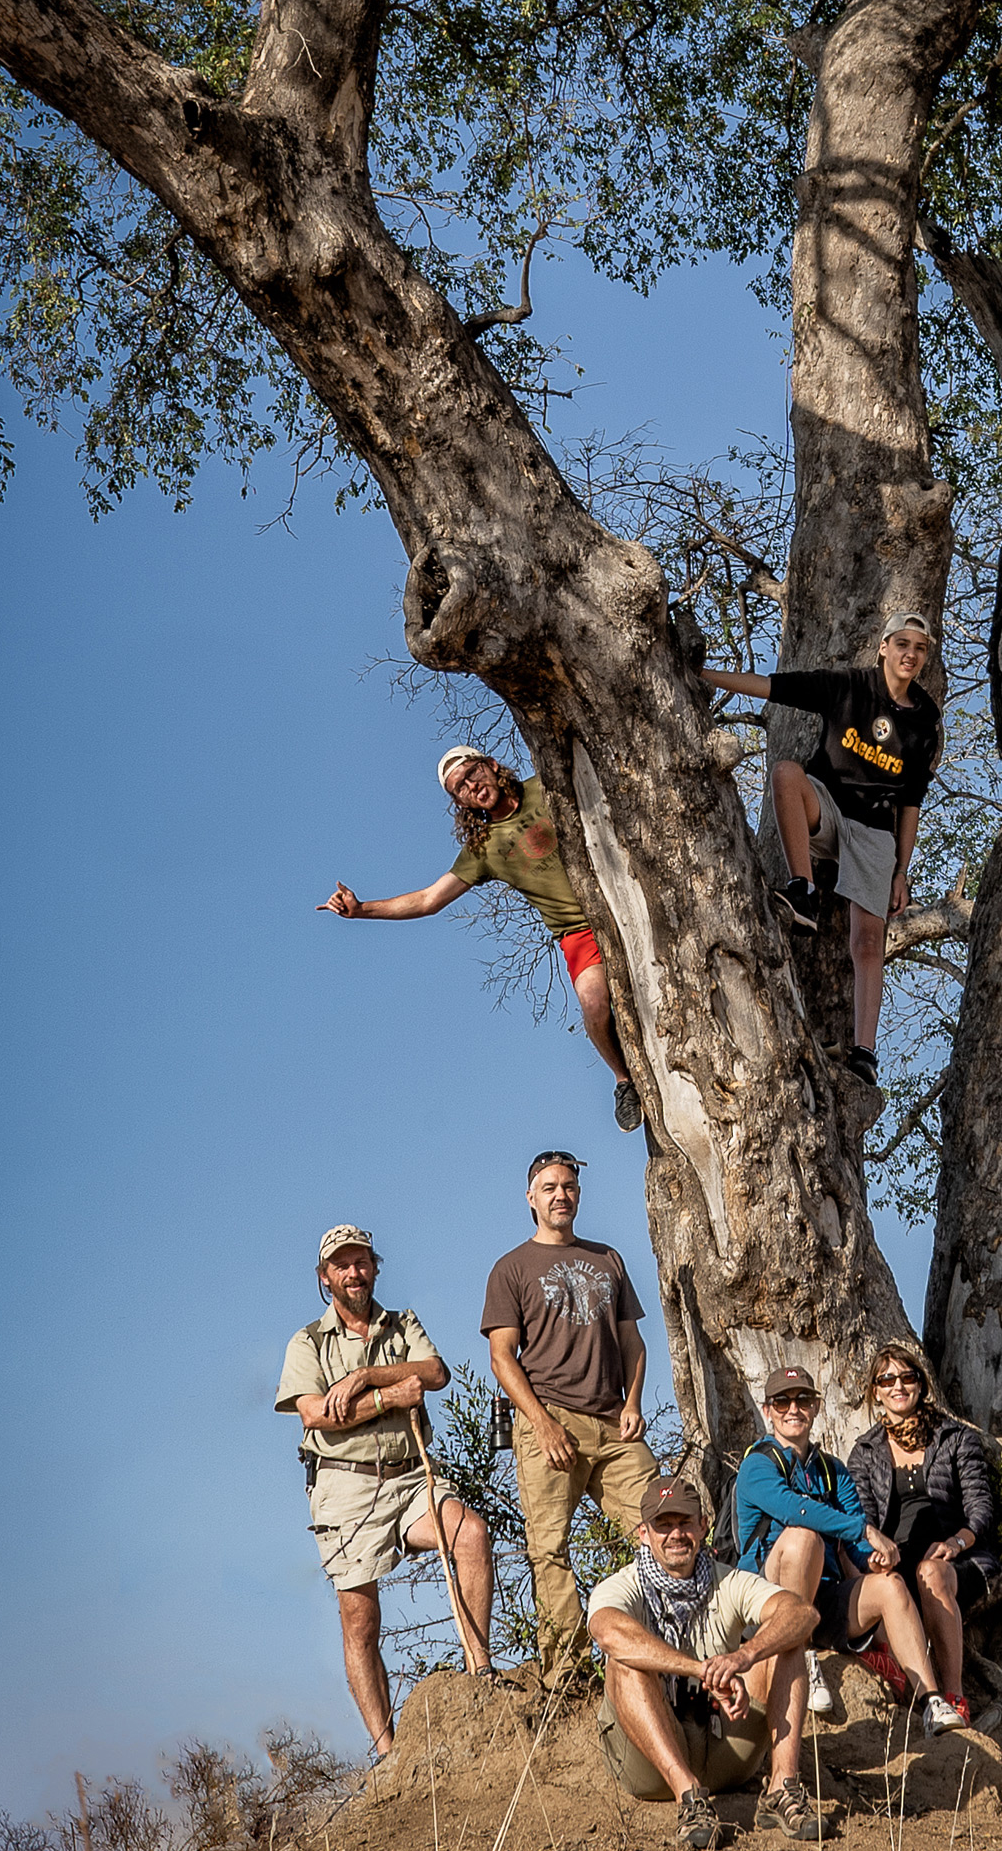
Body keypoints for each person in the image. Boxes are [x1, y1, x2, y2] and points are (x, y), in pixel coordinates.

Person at [320, 746, 641, 1132]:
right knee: (592, 1001)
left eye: (472, 774)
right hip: (578, 931)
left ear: (490, 765)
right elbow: (428, 899)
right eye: (460, 788)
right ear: (459, 802)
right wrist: (361, 909)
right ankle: (623, 1081)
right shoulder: (484, 847)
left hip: (628, 898)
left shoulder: (547, 786)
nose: (471, 786)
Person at [277, 1224, 496, 1756]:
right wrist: (392, 1395)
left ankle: (481, 1677)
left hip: (411, 1473)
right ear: (324, 1276)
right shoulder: (307, 1341)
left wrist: (368, 1376)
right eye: (342, 1265)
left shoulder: (402, 1324)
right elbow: (316, 1415)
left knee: (469, 1534)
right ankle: (388, 1751)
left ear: (375, 1266)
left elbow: (435, 1372)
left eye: (362, 1262)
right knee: (360, 1618)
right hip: (345, 1486)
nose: (354, 1273)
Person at [699, 613, 941, 1083]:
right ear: (884, 647)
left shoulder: (925, 719)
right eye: (903, 644)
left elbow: (911, 801)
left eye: (921, 648)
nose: (911, 654)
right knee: (786, 773)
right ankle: (802, 889)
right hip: (826, 806)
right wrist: (702, 676)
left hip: (874, 831)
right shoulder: (849, 686)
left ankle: (864, 1052)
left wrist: (901, 872)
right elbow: (771, 686)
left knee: (868, 942)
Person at [483, 1151, 660, 1690]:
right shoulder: (511, 1268)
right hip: (550, 1422)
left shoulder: (608, 1258)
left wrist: (633, 1404)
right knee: (550, 1548)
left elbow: (633, 1342)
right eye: (550, 1187)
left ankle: (673, 1645)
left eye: (570, 1186)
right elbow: (502, 1357)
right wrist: (540, 1424)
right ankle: (567, 1675)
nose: (562, 1195)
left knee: (663, 1522)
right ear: (531, 1198)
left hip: (613, 1422)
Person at [588, 1475, 837, 1850]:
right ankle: (689, 1798)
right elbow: (608, 1632)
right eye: (663, 1525)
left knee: (787, 1642)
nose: (676, 1534)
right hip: (650, 1763)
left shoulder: (729, 1581)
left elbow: (802, 1614)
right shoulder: (622, 1585)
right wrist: (700, 1670)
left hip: (723, 1740)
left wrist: (744, 1655)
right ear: (643, 1533)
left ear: (703, 1526)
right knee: (624, 1661)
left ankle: (782, 1789)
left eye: (685, 1522)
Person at [734, 1364, 964, 1735]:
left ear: (816, 1407)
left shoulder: (833, 1470)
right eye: (782, 1401)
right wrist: (866, 1531)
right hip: (768, 1598)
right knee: (802, 1537)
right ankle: (802, 1655)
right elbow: (796, 1509)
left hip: (824, 1596)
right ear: (767, 1410)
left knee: (890, 1584)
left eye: (803, 1400)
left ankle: (931, 1701)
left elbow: (856, 1543)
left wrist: (871, 1558)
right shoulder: (758, 1464)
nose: (793, 1409)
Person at [845, 1343, 996, 1723]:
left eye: (907, 1377)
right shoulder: (865, 1451)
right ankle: (898, 1672)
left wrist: (956, 1543)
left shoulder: (955, 1438)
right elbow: (860, 1517)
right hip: (895, 1557)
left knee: (930, 1571)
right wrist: (873, 1553)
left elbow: (981, 1508)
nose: (898, 1385)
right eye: (887, 1379)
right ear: (876, 1391)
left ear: (921, 1384)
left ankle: (954, 1696)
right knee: (856, 1563)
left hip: (954, 1559)